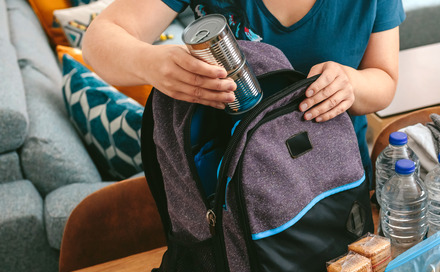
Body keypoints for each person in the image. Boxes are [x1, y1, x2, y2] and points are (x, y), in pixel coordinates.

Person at [82, 0, 405, 179]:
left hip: (337, 183)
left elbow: (384, 79)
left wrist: (351, 84)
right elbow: (99, 40)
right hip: (229, 191)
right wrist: (150, 62)